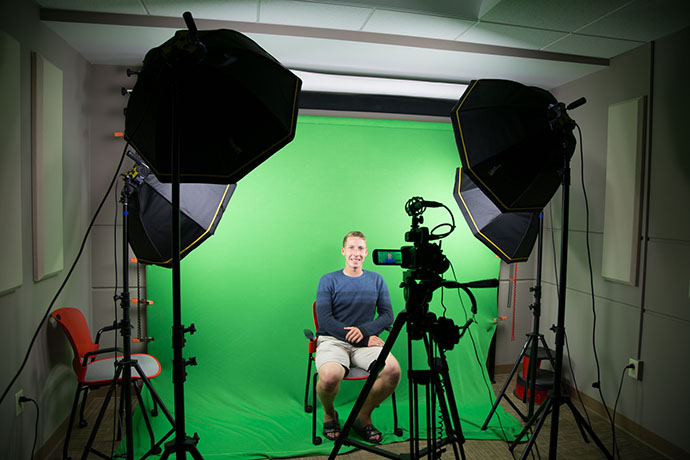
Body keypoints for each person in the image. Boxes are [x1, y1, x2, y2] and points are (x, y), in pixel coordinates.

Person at [314, 231, 401, 444]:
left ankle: (362, 415)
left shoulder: (377, 280)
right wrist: (361, 337)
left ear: (366, 252)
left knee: (393, 371)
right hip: (333, 340)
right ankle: (329, 413)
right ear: (344, 251)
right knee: (329, 378)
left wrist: (364, 332)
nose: (356, 253)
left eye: (360, 248)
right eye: (351, 248)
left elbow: (387, 315)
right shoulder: (328, 280)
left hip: (366, 343)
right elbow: (324, 320)